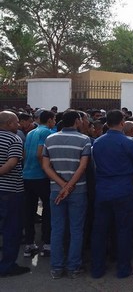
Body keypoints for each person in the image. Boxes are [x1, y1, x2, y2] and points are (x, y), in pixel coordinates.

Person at [91, 109, 133, 279]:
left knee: (99, 231)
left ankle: (97, 269)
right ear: (122, 123)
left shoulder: (97, 143)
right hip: (123, 189)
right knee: (124, 230)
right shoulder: (129, 143)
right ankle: (123, 268)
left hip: (103, 189)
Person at [41, 110, 92, 279]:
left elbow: (46, 167)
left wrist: (62, 185)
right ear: (77, 121)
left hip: (56, 190)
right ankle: (73, 267)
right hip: (78, 191)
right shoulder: (84, 140)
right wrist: (69, 186)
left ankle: (56, 268)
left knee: (57, 229)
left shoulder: (50, 139)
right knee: (76, 229)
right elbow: (82, 167)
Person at [0, 111, 31, 277]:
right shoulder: (14, 139)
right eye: (16, 122)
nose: (18, 125)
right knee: (12, 229)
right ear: (9, 123)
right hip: (11, 190)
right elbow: (12, 163)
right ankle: (7, 266)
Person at [22, 109, 55, 258]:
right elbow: (40, 153)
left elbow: (25, 154)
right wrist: (48, 171)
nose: (54, 123)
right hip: (40, 177)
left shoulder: (31, 132)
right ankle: (47, 244)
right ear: (49, 120)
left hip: (27, 175)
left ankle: (29, 244)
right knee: (48, 210)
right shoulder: (46, 133)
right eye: (53, 120)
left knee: (29, 211)